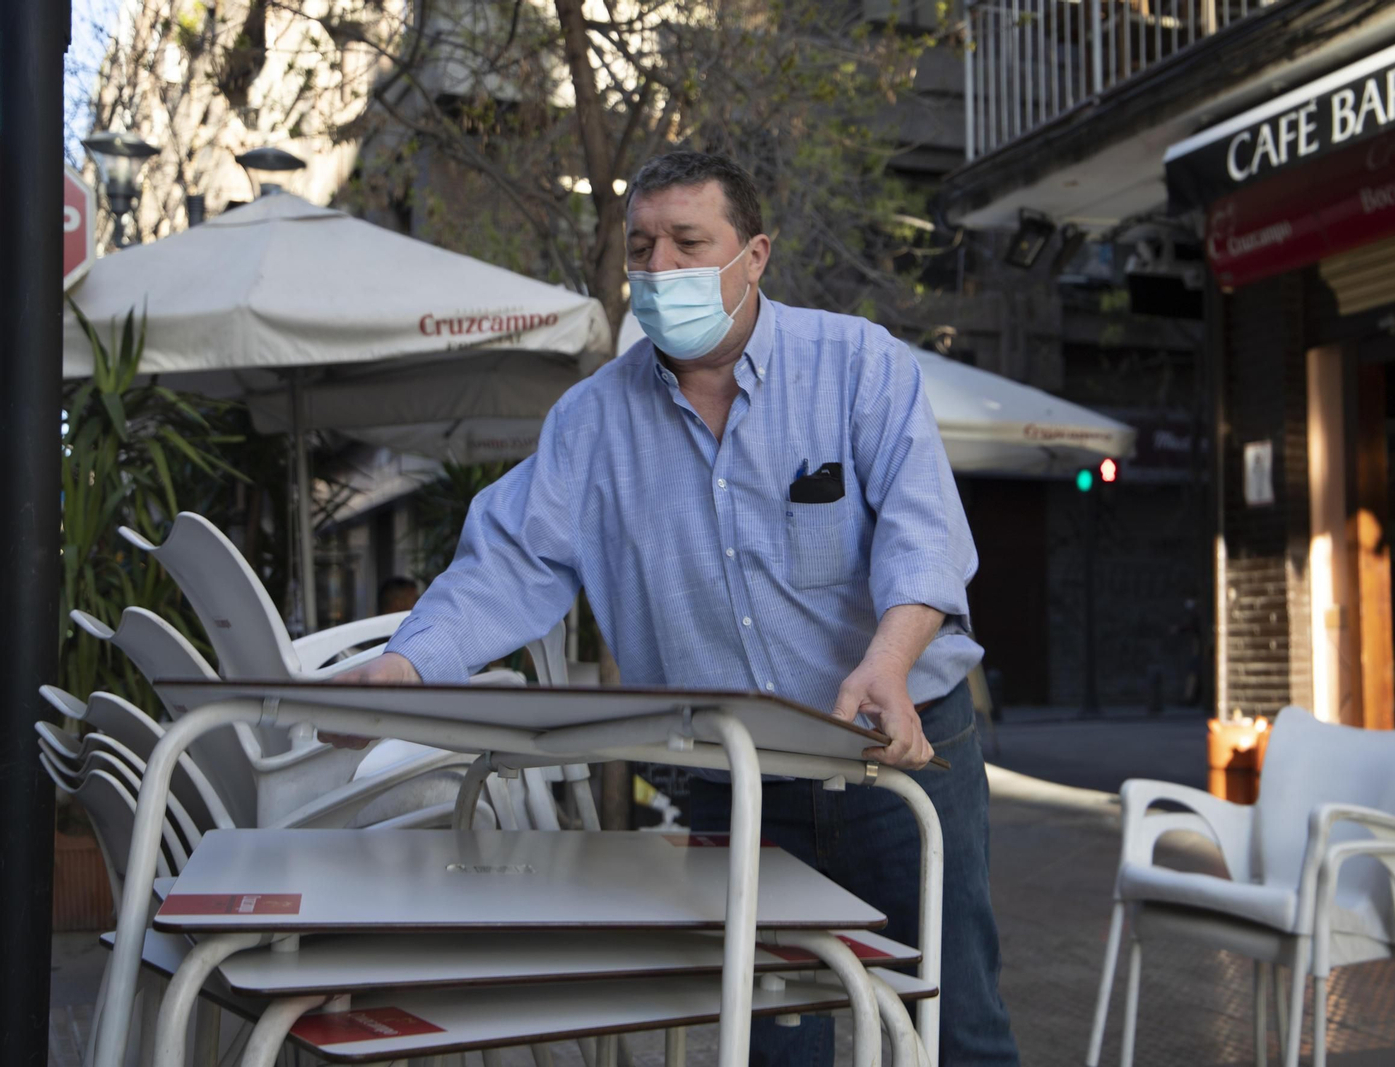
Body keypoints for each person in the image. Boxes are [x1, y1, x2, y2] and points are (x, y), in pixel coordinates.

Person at [327, 151, 1020, 1066]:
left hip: (899, 754)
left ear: (755, 254)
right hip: (739, 779)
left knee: (955, 1020)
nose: (660, 271)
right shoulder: (591, 422)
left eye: (689, 243)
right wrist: (409, 663)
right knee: (769, 1035)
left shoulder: (857, 365)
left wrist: (887, 660)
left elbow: (923, 537)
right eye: (642, 248)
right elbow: (510, 559)